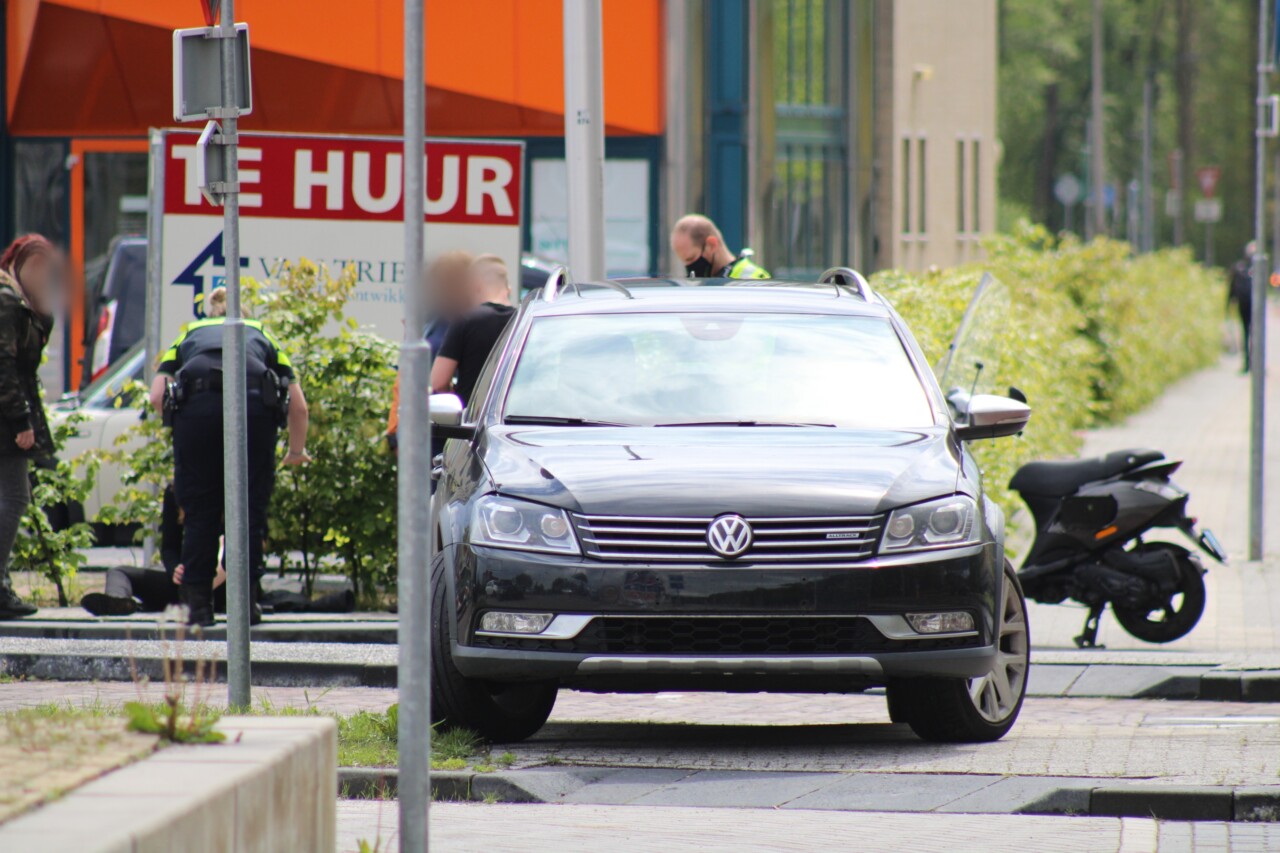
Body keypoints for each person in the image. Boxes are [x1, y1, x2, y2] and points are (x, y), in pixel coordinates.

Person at [149, 286, 310, 626]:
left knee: (199, 512)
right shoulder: (261, 332)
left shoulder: (189, 333)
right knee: (249, 511)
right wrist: (296, 451)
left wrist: (183, 435)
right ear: (246, 312)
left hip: (197, 415)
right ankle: (245, 605)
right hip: (253, 413)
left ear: (209, 312)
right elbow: (299, 407)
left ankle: (199, 608)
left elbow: (157, 396)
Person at [0, 235, 60, 620]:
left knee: (12, 497)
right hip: (6, 417)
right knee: (16, 497)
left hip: (9, 412)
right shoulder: (7, 302)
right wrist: (21, 421)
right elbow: (3, 366)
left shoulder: (21, 303)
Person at [387, 250, 474, 449]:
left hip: (446, 430)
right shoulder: (433, 320)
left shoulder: (467, 324)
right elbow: (407, 374)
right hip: (423, 424)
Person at [431, 254, 515, 405]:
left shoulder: (465, 320)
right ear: (508, 288)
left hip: (471, 419)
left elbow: (438, 382)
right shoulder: (523, 322)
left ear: (475, 285)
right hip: (512, 418)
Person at [670, 214, 770, 279]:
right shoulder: (701, 285)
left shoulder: (755, 279)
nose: (688, 266)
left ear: (712, 244)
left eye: (691, 258)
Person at [1228, 243, 1255, 373]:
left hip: (1242, 304)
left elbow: (1232, 288)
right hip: (1254, 305)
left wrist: (1229, 304)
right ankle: (1255, 362)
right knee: (1255, 333)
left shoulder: (1238, 268)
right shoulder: (1255, 269)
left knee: (1246, 333)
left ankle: (1247, 362)